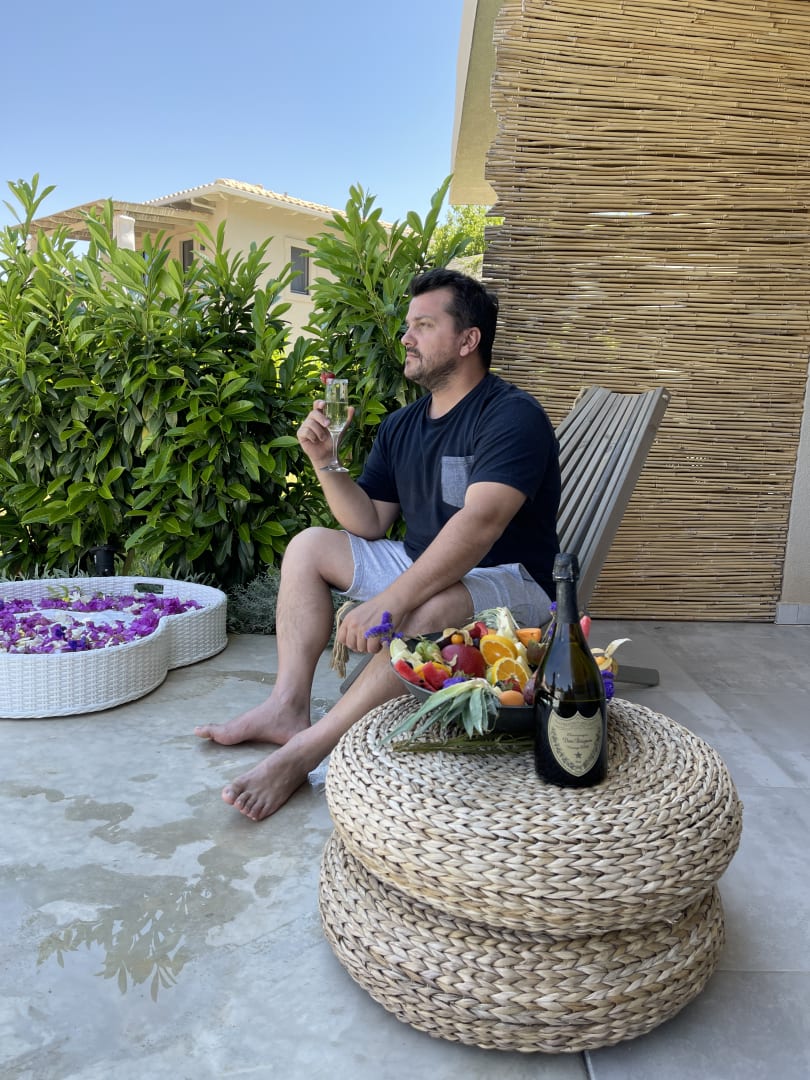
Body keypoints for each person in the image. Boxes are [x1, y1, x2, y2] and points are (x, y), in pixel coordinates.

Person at [194, 267, 561, 820]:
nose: (406, 338)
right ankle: (286, 706)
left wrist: (390, 601)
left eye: (423, 326)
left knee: (431, 607)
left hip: (513, 580)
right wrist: (325, 463)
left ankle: (310, 748)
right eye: (407, 326)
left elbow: (480, 525)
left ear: (468, 340)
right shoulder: (402, 425)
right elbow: (368, 521)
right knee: (309, 546)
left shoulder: (511, 416)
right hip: (425, 562)